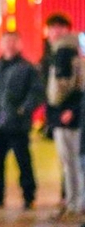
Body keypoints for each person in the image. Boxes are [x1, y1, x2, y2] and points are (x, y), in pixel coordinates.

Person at [0, 31, 44, 210]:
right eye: (6, 41)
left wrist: (23, 109)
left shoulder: (27, 68)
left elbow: (37, 92)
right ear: (0, 45)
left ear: (19, 44)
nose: (9, 45)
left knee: (23, 161)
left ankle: (29, 195)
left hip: (17, 124)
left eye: (13, 41)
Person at [43, 12, 85, 220]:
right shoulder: (72, 48)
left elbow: (65, 86)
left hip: (68, 114)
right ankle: (74, 202)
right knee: (73, 162)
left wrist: (66, 109)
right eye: (51, 28)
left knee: (71, 162)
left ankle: (75, 203)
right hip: (71, 112)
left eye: (58, 28)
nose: (53, 32)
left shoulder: (64, 50)